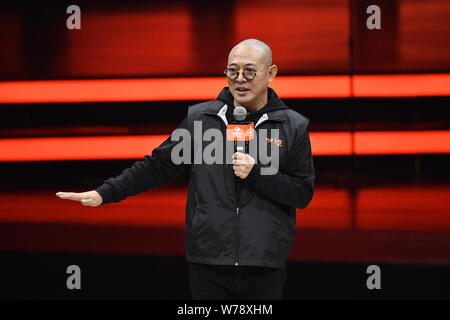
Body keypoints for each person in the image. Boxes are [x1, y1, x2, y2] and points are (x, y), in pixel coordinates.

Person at [56, 39, 315, 300]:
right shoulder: (201, 120)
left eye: (249, 71)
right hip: (208, 260)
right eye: (232, 70)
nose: (240, 79)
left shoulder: (292, 126)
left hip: (264, 263)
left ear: (270, 73)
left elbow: (302, 193)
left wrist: (257, 174)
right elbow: (158, 166)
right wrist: (105, 193)